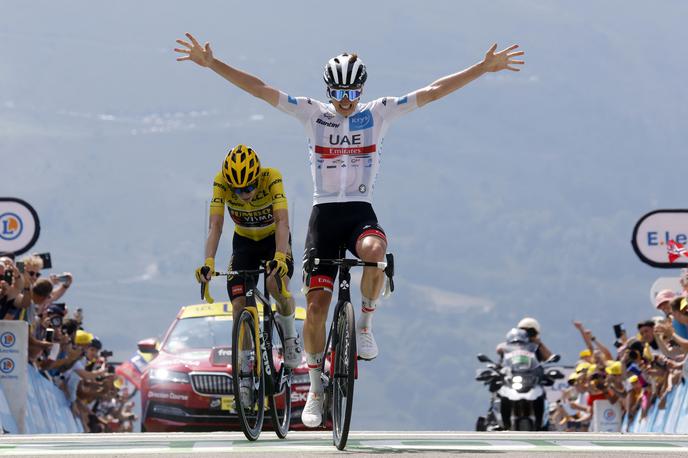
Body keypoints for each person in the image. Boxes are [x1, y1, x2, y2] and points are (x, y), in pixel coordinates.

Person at [176, 33, 525, 427]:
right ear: (329, 89)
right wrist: (214, 63)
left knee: (375, 252)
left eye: (352, 91)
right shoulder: (312, 113)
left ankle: (365, 324)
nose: (346, 99)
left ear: (362, 88)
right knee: (317, 308)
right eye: (339, 91)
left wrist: (481, 68)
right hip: (323, 216)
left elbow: (432, 92)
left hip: (359, 212)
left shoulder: (379, 113)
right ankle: (315, 388)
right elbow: (260, 89)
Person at [194, 145, 301, 383]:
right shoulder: (221, 182)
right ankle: (243, 366)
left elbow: (282, 221)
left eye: (250, 187)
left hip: (274, 240)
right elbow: (216, 226)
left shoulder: (272, 177)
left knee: (275, 285)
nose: (245, 193)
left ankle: (291, 337)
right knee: (239, 304)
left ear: (257, 177)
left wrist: (281, 257)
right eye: (239, 189)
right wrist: (209, 262)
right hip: (244, 243)